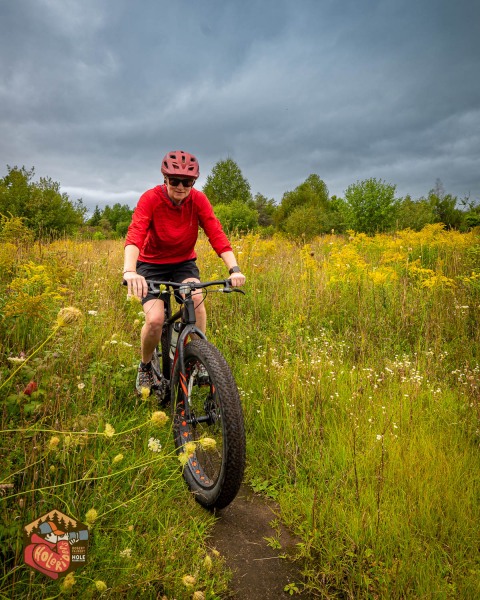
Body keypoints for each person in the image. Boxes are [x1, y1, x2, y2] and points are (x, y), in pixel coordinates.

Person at [123, 150, 246, 395]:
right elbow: (135, 234)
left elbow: (216, 233)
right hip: (150, 265)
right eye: (174, 181)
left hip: (183, 264)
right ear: (165, 179)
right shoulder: (151, 199)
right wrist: (130, 271)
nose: (180, 187)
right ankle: (145, 366)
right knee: (156, 320)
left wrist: (234, 268)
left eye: (187, 182)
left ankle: (199, 358)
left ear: (193, 182)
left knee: (197, 300)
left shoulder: (198, 200)